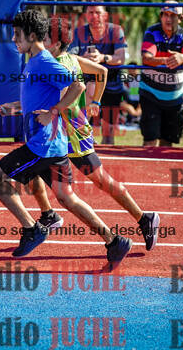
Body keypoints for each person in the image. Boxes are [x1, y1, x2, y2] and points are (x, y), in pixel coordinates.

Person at [0, 9, 132, 264]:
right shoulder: (34, 61)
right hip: (53, 145)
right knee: (67, 198)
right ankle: (114, 241)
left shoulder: (43, 61)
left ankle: (32, 229)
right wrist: (16, 108)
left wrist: (54, 112)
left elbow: (77, 85)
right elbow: (41, 97)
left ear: (32, 35)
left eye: (17, 35)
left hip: (41, 146)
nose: (13, 39)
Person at [29, 17, 160, 251]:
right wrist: (96, 102)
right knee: (31, 168)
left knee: (102, 181)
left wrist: (47, 107)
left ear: (56, 44)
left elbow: (67, 95)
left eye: (45, 38)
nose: (40, 41)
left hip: (74, 136)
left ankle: (144, 218)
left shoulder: (59, 65)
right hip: (57, 135)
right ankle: (48, 214)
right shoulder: (69, 59)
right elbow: (101, 71)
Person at [68, 0, 128, 144]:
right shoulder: (78, 32)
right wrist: (85, 58)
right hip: (87, 83)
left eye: (98, 12)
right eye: (91, 12)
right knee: (90, 87)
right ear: (86, 15)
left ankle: (104, 153)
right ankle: (84, 137)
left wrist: (102, 57)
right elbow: (69, 57)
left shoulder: (116, 30)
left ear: (105, 15)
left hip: (112, 84)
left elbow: (121, 58)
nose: (94, 16)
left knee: (108, 136)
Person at [140, 0, 183, 147]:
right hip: (150, 94)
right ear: (161, 16)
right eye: (165, 14)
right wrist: (168, 60)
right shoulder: (152, 32)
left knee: (167, 142)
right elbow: (146, 58)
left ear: (180, 18)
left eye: (173, 15)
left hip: (175, 97)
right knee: (150, 140)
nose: (168, 19)